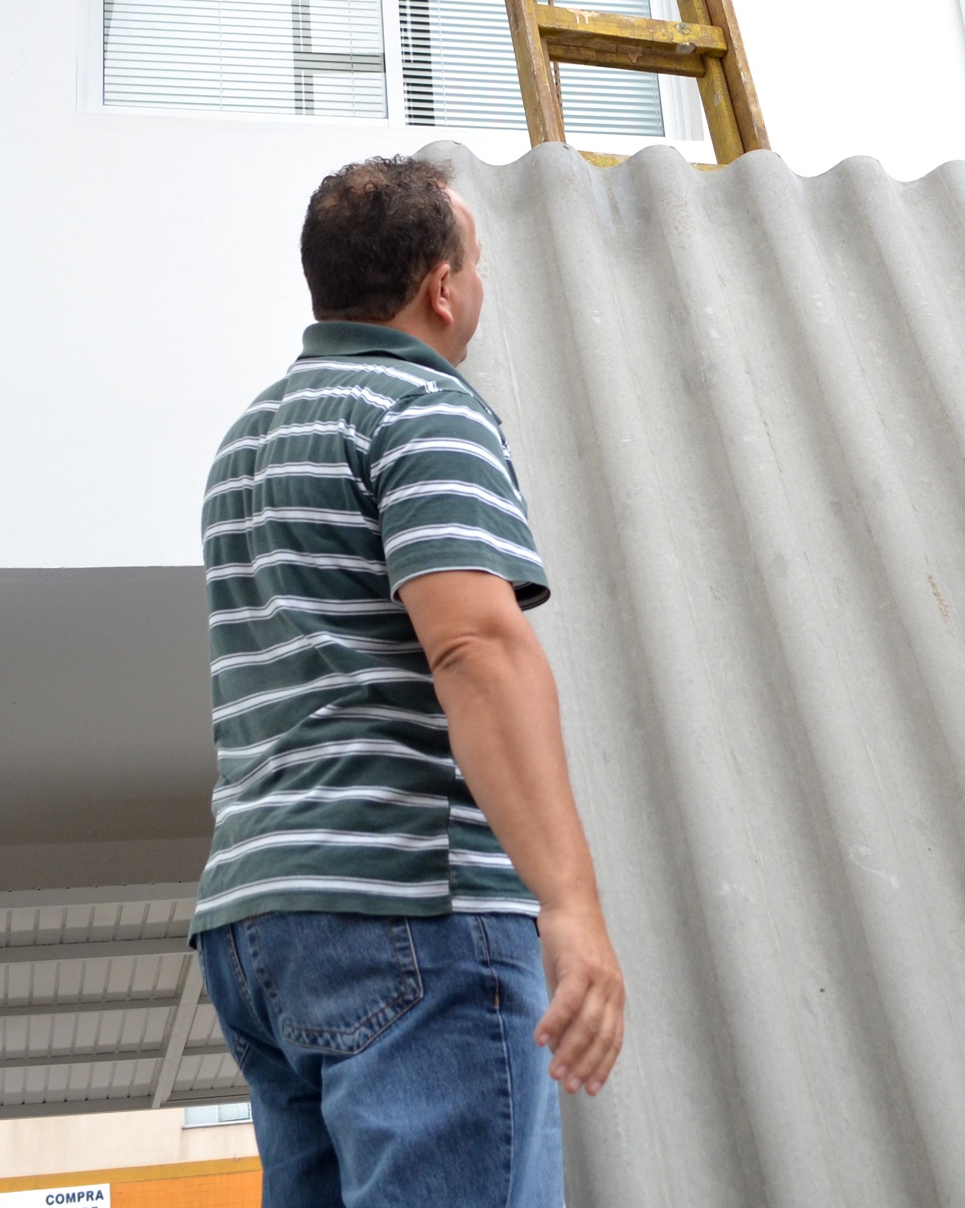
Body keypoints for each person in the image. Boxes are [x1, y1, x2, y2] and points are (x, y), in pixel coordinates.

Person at [191, 155, 623, 1208]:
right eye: (474, 265)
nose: (478, 288)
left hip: (259, 929)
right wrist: (568, 901)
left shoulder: (245, 441)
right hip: (409, 915)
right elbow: (475, 646)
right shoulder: (422, 406)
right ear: (441, 284)